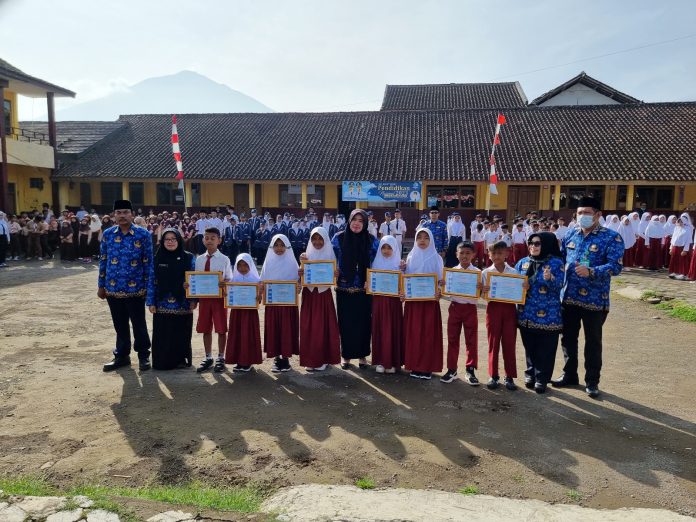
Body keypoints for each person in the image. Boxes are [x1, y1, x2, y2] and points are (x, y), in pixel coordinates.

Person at [552, 196, 624, 398]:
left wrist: (592, 271)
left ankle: (592, 381)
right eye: (580, 213)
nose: (582, 216)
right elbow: (561, 259)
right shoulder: (570, 234)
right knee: (568, 339)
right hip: (569, 297)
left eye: (587, 213)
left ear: (598, 215)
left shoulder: (611, 237)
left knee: (593, 342)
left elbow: (616, 266)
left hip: (595, 299)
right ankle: (569, 374)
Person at [98, 199, 153, 372]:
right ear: (114, 215)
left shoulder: (143, 234)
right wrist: (101, 285)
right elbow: (103, 260)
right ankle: (121, 356)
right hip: (112, 288)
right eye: (119, 213)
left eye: (125, 212)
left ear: (132, 214)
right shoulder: (108, 234)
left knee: (139, 324)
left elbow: (148, 262)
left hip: (136, 289)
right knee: (119, 324)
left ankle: (143, 355)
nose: (122, 216)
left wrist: (149, 288)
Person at [515, 232, 564, 393]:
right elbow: (512, 283)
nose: (533, 246)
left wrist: (550, 279)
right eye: (531, 243)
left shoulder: (556, 263)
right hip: (526, 314)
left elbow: (560, 286)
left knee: (546, 349)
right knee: (529, 347)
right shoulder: (523, 262)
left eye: (537, 243)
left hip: (548, 315)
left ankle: (542, 378)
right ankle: (530, 374)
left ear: (547, 245)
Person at [332, 209, 378, 369]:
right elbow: (326, 257)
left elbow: (378, 263)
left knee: (364, 323)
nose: (357, 223)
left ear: (365, 223)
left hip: (364, 289)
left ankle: (362, 355)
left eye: (361, 221)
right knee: (345, 323)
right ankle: (346, 355)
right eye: (354, 220)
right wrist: (305, 257)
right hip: (343, 288)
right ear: (349, 221)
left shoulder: (372, 240)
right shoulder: (338, 238)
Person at [146, 228, 196, 370]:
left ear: (179, 240)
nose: (170, 242)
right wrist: (151, 302)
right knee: (163, 333)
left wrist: (194, 299)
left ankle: (180, 361)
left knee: (180, 332)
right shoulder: (157, 258)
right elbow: (151, 280)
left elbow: (194, 279)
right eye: (167, 239)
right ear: (162, 241)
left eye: (174, 239)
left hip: (183, 303)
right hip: (162, 303)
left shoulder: (189, 257)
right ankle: (162, 362)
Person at [403, 228, 444, 380]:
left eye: (426, 237)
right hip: (413, 303)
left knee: (428, 334)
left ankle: (427, 367)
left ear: (431, 240)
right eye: (419, 237)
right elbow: (405, 279)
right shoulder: (410, 257)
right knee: (414, 334)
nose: (422, 240)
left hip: (429, 303)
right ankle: (414, 365)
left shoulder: (436, 258)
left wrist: (439, 291)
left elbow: (441, 281)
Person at [298, 227, 340, 372]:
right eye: (314, 239)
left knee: (322, 326)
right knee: (308, 326)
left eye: (320, 239)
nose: (317, 242)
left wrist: (336, 274)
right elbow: (300, 278)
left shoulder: (330, 255)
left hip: (323, 295)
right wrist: (300, 270)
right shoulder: (305, 256)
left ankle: (323, 359)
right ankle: (310, 359)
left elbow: (335, 276)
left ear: (325, 240)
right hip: (309, 294)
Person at [194, 227, 233, 373]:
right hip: (204, 299)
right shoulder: (199, 259)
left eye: (213, 238)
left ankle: (221, 357)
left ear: (219, 240)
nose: (209, 240)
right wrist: (189, 285)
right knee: (205, 328)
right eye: (206, 238)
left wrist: (225, 283)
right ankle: (208, 357)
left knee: (221, 328)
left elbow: (230, 279)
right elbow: (195, 279)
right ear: (203, 240)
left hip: (219, 299)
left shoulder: (224, 259)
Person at [441, 241, 480, 384]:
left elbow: (482, 294)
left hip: (470, 309)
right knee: (452, 339)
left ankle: (470, 370)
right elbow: (446, 292)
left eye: (468, 253)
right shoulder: (451, 272)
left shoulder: (477, 273)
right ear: (456, 254)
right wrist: (443, 285)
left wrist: (481, 288)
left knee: (471, 340)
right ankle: (452, 369)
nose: (464, 256)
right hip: (455, 307)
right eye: (461, 253)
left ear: (473, 255)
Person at [481, 241, 518, 390]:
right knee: (493, 342)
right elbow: (482, 295)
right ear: (489, 255)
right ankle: (493, 375)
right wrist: (484, 291)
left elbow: (518, 293)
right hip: (493, 308)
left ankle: (509, 376)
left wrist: (523, 288)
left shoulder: (514, 272)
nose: (496, 256)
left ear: (506, 254)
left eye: (500, 253)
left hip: (510, 309)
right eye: (493, 253)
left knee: (509, 342)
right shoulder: (485, 273)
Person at [261, 234, 301, 372]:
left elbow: (298, 283)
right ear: (271, 247)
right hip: (273, 305)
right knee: (274, 329)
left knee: (286, 330)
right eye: (276, 245)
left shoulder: (292, 263)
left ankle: (285, 358)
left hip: (288, 306)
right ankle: (277, 358)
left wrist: (299, 286)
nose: (279, 248)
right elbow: (262, 281)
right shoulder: (268, 262)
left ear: (287, 246)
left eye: (282, 245)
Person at [369, 235, 404, 374]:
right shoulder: (375, 264)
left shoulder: (400, 265)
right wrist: (368, 285)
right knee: (380, 329)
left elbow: (404, 283)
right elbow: (372, 282)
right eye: (383, 247)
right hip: (379, 301)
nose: (386, 250)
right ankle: (381, 361)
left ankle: (393, 361)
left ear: (395, 248)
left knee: (393, 328)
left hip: (393, 302)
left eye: (389, 248)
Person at [225, 253, 263, 372]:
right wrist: (225, 291)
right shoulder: (233, 280)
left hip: (249, 313)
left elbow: (259, 298)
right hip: (236, 313)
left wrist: (259, 296)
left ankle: (248, 361)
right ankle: (238, 360)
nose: (242, 268)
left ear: (250, 265)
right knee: (237, 334)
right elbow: (228, 295)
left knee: (248, 335)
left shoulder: (256, 281)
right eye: (239, 265)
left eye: (245, 265)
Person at [668, 215, 693, 280]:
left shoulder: (687, 229)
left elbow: (688, 241)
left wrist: (685, 250)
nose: (680, 223)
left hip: (682, 247)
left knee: (683, 261)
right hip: (675, 247)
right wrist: (671, 248)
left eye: (681, 222)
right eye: (679, 221)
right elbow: (673, 239)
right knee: (674, 260)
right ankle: (674, 272)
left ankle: (683, 273)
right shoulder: (676, 228)